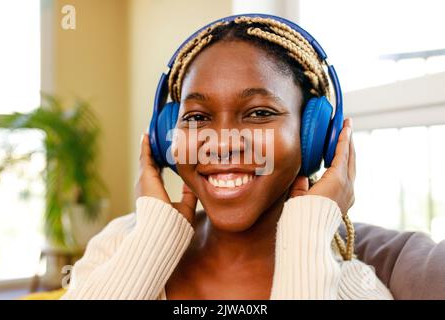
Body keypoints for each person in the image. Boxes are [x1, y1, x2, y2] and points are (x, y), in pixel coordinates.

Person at [61, 16, 393, 300]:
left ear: (317, 136)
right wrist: (151, 241)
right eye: (196, 118)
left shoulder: (354, 287)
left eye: (259, 112)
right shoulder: (120, 243)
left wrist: (306, 241)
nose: (220, 144)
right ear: (167, 138)